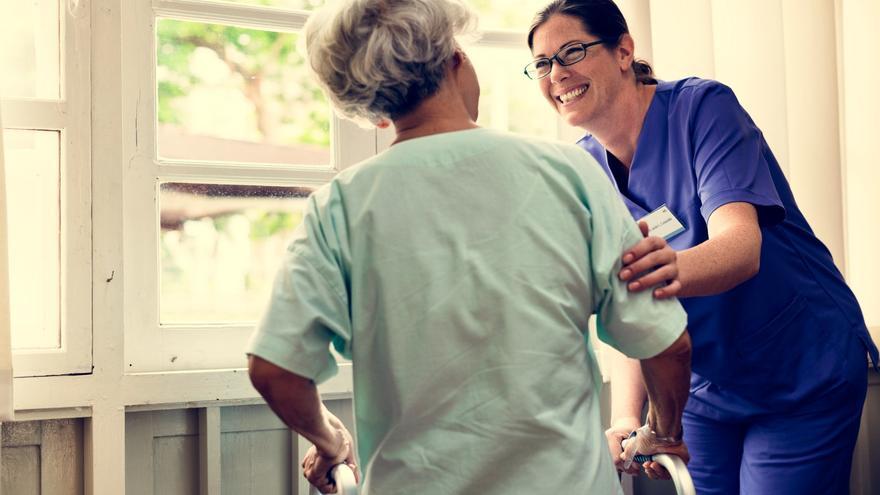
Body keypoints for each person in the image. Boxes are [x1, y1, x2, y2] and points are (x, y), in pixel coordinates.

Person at [246, 0, 693, 493]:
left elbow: (274, 368)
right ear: (455, 60)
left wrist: (330, 440)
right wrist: (662, 433)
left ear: (375, 114)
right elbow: (667, 344)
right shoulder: (570, 174)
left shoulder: (339, 207)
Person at [526, 1, 880, 493]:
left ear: (624, 51)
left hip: (798, 367)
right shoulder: (585, 171)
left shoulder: (702, 109)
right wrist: (627, 419)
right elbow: (631, 314)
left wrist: (648, 276)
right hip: (707, 388)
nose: (556, 73)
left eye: (572, 52)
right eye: (543, 64)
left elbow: (741, 247)